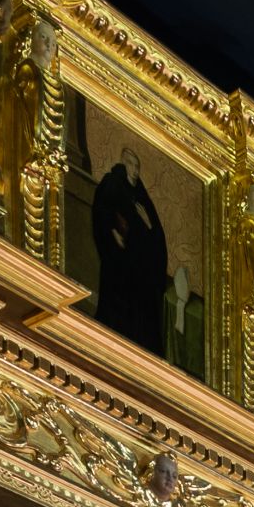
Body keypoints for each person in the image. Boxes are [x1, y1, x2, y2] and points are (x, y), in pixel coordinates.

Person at [90, 144, 169, 354]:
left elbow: (157, 235)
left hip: (140, 266)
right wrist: (112, 231)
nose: (134, 170)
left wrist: (149, 226)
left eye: (137, 166)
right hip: (120, 260)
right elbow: (102, 209)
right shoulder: (112, 183)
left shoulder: (142, 196)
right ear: (123, 164)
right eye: (131, 165)